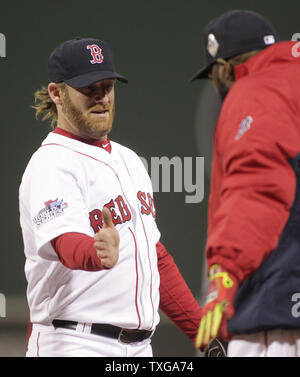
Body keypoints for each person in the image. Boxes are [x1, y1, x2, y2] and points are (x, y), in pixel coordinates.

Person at [19, 37, 203, 357]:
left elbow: (154, 258)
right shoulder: (51, 162)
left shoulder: (129, 160)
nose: (101, 97)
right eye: (89, 88)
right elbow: (64, 244)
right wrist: (94, 251)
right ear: (56, 93)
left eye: (107, 86)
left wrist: (203, 333)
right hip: (73, 341)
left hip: (139, 347)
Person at [190, 10, 300, 357]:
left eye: (214, 75)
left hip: (279, 304)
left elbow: (258, 188)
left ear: (224, 67)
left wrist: (226, 271)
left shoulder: (255, 90)